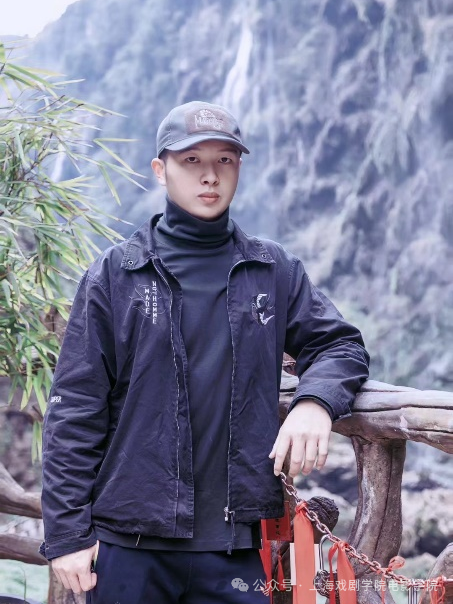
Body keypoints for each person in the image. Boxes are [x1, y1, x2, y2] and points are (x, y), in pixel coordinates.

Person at [40, 101, 369, 603]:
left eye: (225, 160)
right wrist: (66, 535)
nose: (210, 175)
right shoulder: (116, 275)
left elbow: (340, 344)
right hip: (129, 542)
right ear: (160, 169)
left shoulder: (271, 270)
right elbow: (74, 408)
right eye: (191, 160)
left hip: (233, 545)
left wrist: (315, 402)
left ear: (239, 169)